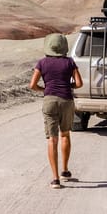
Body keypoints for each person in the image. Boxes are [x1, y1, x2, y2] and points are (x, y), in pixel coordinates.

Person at [29, 33, 83, 189]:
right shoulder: (69, 62)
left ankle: (55, 179)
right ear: (64, 47)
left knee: (52, 139)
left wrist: (44, 89)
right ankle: (65, 171)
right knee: (65, 134)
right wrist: (68, 86)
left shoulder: (42, 62)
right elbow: (79, 83)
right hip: (66, 100)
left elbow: (32, 85)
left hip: (49, 101)